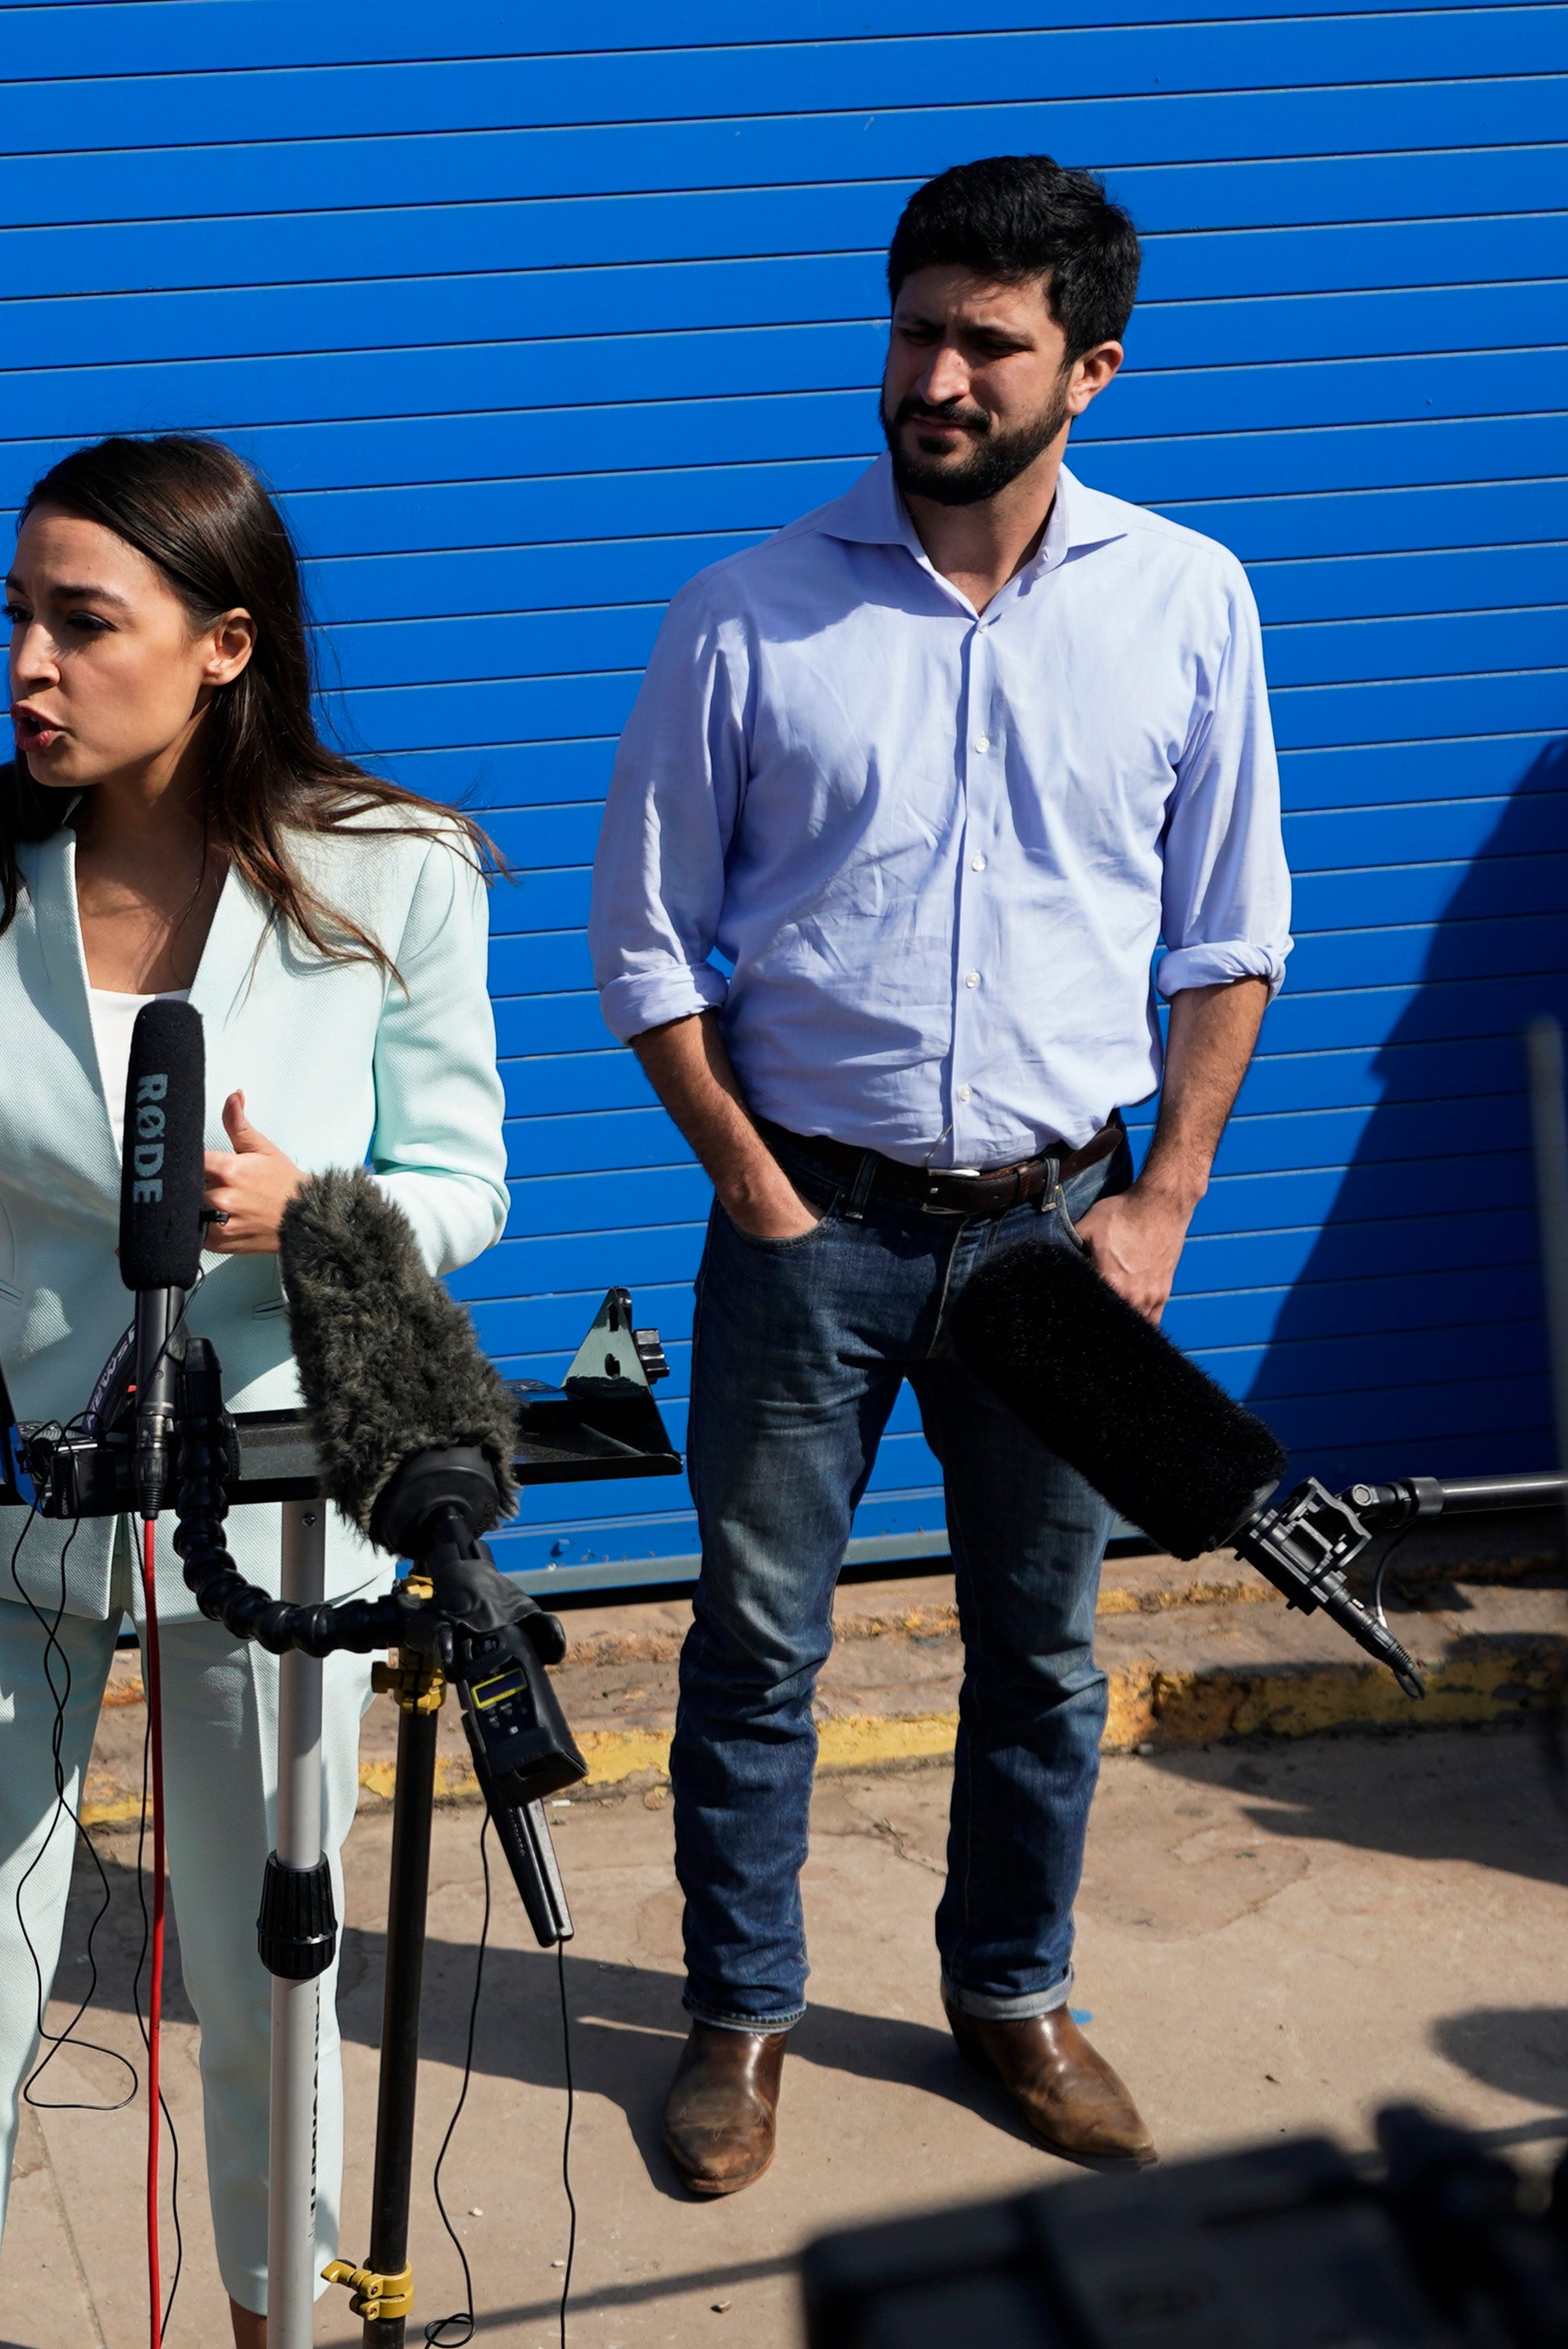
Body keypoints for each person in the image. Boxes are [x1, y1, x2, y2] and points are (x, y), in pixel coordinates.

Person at [0, 435, 508, 2348]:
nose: (30, 668)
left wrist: (313, 1209)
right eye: (17, 622)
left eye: (83, 623)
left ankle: (274, 2319)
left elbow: (464, 1180)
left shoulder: (397, 871)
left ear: (224, 643)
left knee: (260, 1968)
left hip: (270, 1500)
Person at [590, 157, 1291, 2192]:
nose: (938, 374)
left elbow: (1226, 930)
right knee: (753, 1644)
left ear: (1092, 369)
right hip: (806, 1226)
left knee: (1044, 1651)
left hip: (1051, 1243)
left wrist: (1156, 1205)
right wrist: (748, 1181)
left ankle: (1009, 1994)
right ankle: (738, 2016)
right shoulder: (746, 616)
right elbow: (644, 940)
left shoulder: (1182, 602)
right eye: (915, 329)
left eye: (988, 341)